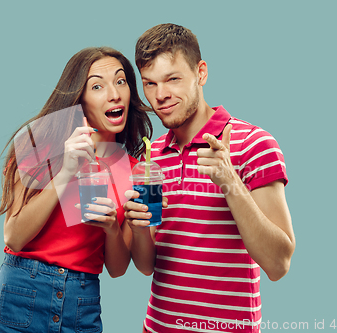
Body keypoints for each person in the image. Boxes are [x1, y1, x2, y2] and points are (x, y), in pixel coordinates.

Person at [124, 24, 295, 333]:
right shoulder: (153, 158)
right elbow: (148, 266)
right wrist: (138, 228)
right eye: (150, 84)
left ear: (201, 73)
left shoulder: (254, 143)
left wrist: (229, 181)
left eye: (173, 79)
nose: (160, 95)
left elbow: (278, 264)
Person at [0, 46, 152, 333]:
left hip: (81, 303)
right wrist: (67, 170)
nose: (114, 93)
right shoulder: (38, 143)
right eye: (97, 86)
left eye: (120, 81)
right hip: (21, 295)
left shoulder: (133, 170)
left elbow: (118, 269)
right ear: (79, 99)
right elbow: (15, 236)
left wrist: (111, 229)